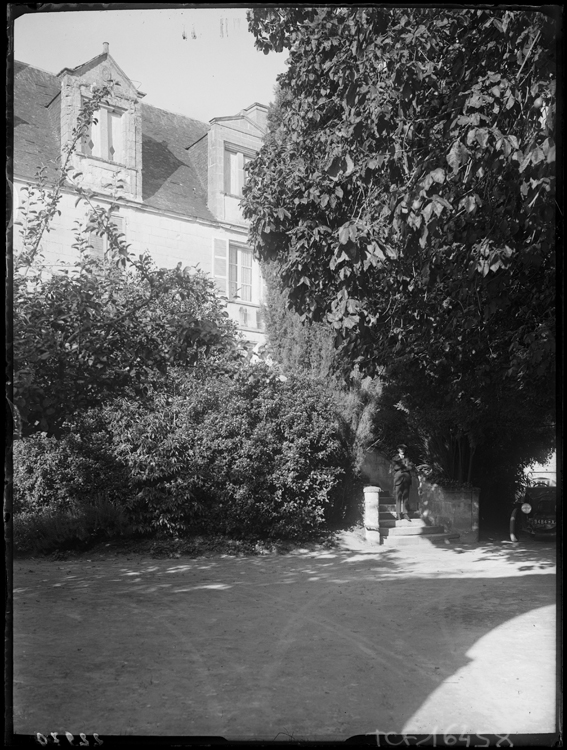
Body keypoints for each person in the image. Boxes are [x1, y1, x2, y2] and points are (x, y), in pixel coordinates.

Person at [391, 444, 414, 521]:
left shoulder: (408, 458)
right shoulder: (395, 458)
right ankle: (398, 514)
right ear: (398, 449)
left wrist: (403, 467)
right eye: (401, 448)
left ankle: (405, 513)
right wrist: (404, 466)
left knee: (406, 497)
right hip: (398, 479)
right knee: (398, 497)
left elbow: (411, 467)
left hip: (406, 479)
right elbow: (394, 467)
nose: (402, 450)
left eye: (403, 449)